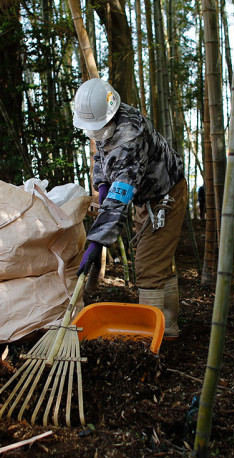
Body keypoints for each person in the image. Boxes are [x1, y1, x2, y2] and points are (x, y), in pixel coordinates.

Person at [73, 78, 187, 340]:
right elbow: (101, 156)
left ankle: (152, 337)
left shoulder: (130, 137)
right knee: (157, 261)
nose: (95, 133)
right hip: (146, 198)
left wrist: (96, 242)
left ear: (110, 114)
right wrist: (101, 184)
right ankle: (167, 324)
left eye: (98, 127)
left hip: (164, 196)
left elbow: (120, 195)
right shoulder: (109, 120)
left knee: (148, 266)